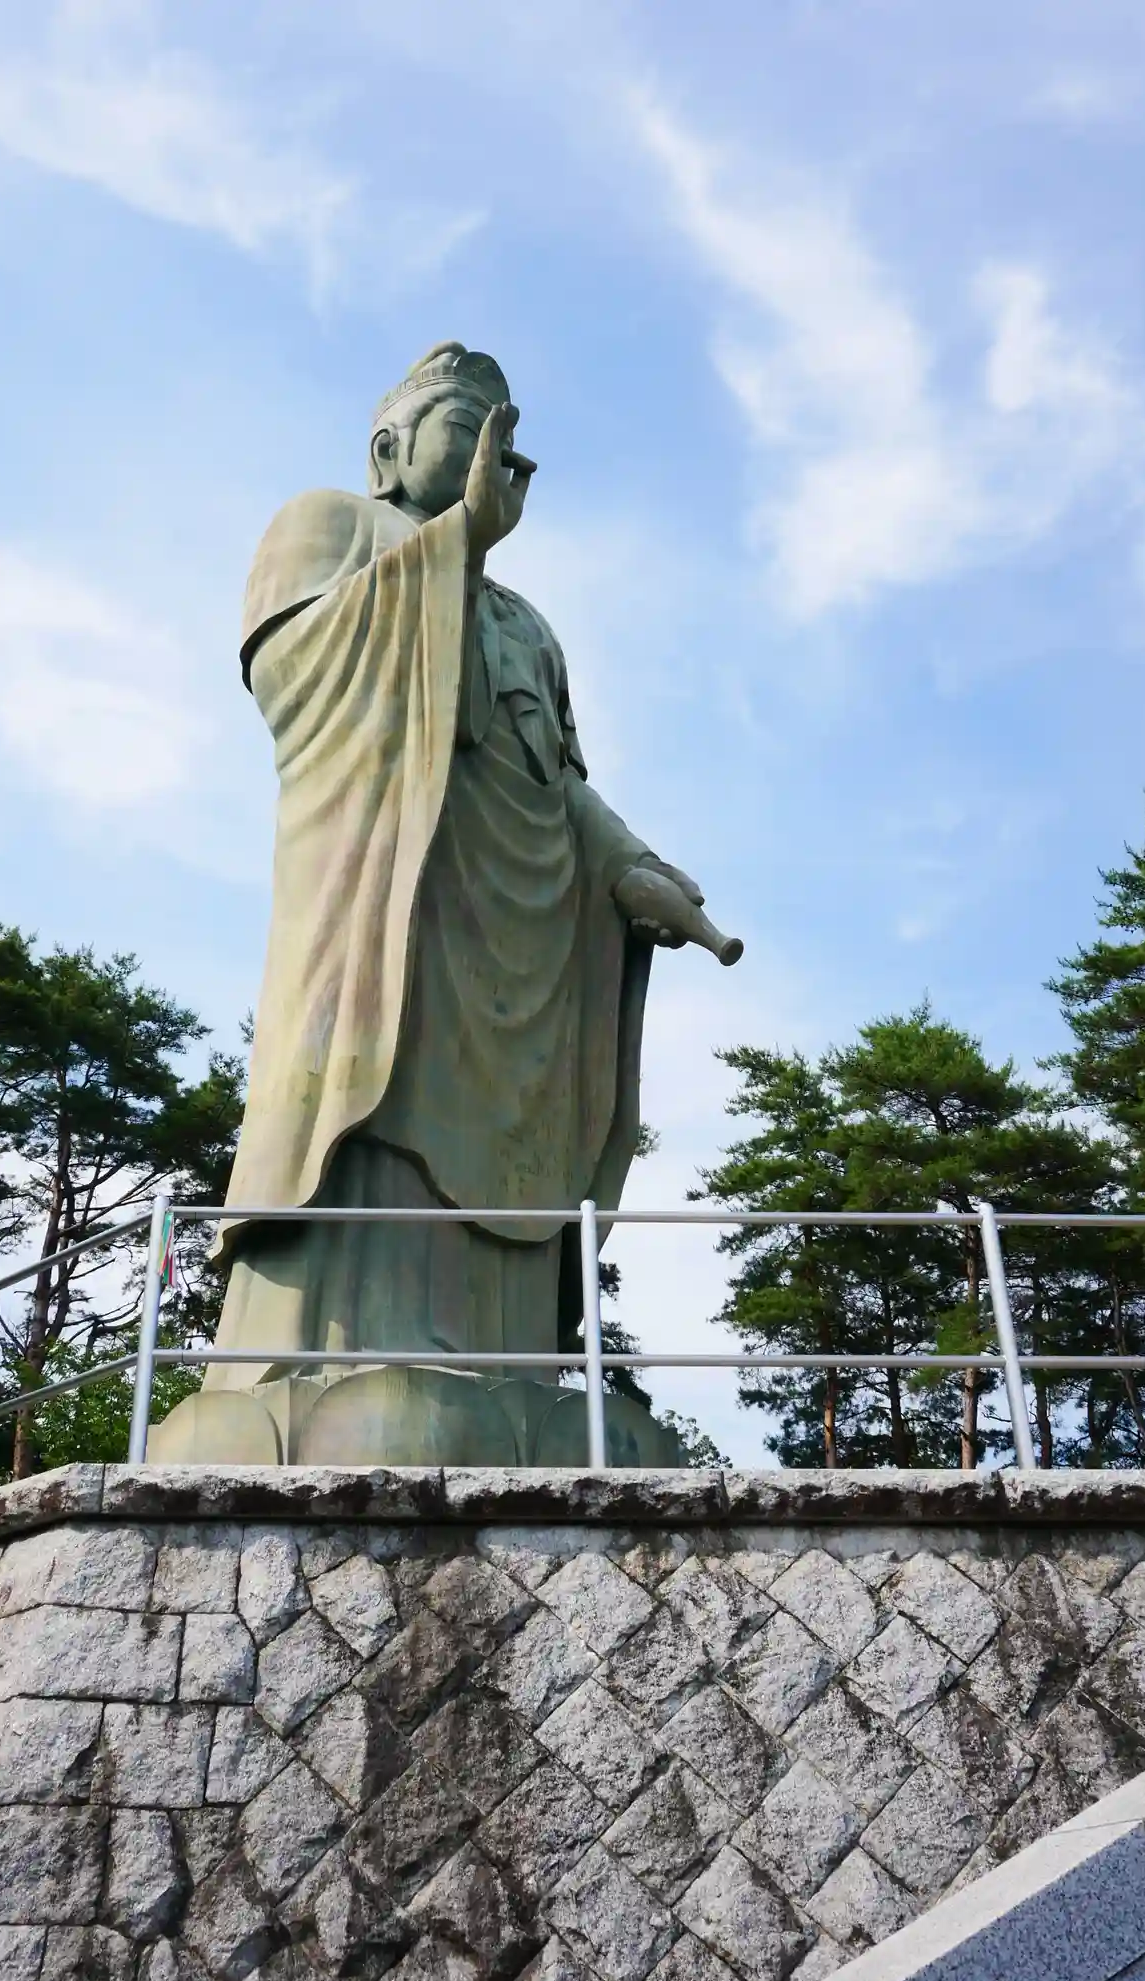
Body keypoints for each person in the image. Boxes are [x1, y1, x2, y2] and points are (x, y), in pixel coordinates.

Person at [156, 343, 725, 1467]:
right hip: (383, 911)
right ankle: (319, 1371)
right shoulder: (330, 527)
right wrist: (454, 544)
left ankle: (515, 1377)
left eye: (507, 444)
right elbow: (295, 677)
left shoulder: (527, 625)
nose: (494, 461)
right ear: (388, 450)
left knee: (518, 1160)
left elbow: (554, 783)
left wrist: (632, 866)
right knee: (376, 1100)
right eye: (468, 432)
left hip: (516, 939)